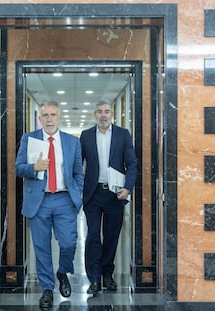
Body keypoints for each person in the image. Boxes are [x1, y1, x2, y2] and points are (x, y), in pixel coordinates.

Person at [15, 101, 84, 308]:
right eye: (45, 115)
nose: (49, 119)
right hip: (39, 200)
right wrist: (33, 167)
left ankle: (62, 271)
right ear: (40, 118)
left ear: (59, 116)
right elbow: (18, 168)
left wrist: (77, 192)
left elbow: (78, 172)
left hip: (64, 199)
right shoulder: (29, 139)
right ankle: (47, 289)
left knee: (69, 243)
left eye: (53, 115)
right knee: (42, 247)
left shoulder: (72, 142)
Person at [80, 100, 137, 296]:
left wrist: (128, 188)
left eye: (106, 112)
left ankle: (107, 274)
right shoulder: (86, 136)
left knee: (111, 237)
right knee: (93, 236)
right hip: (93, 194)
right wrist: (78, 187)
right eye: (99, 112)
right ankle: (94, 279)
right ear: (94, 114)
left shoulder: (123, 134)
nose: (103, 115)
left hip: (115, 194)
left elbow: (132, 164)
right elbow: (78, 165)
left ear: (111, 114)